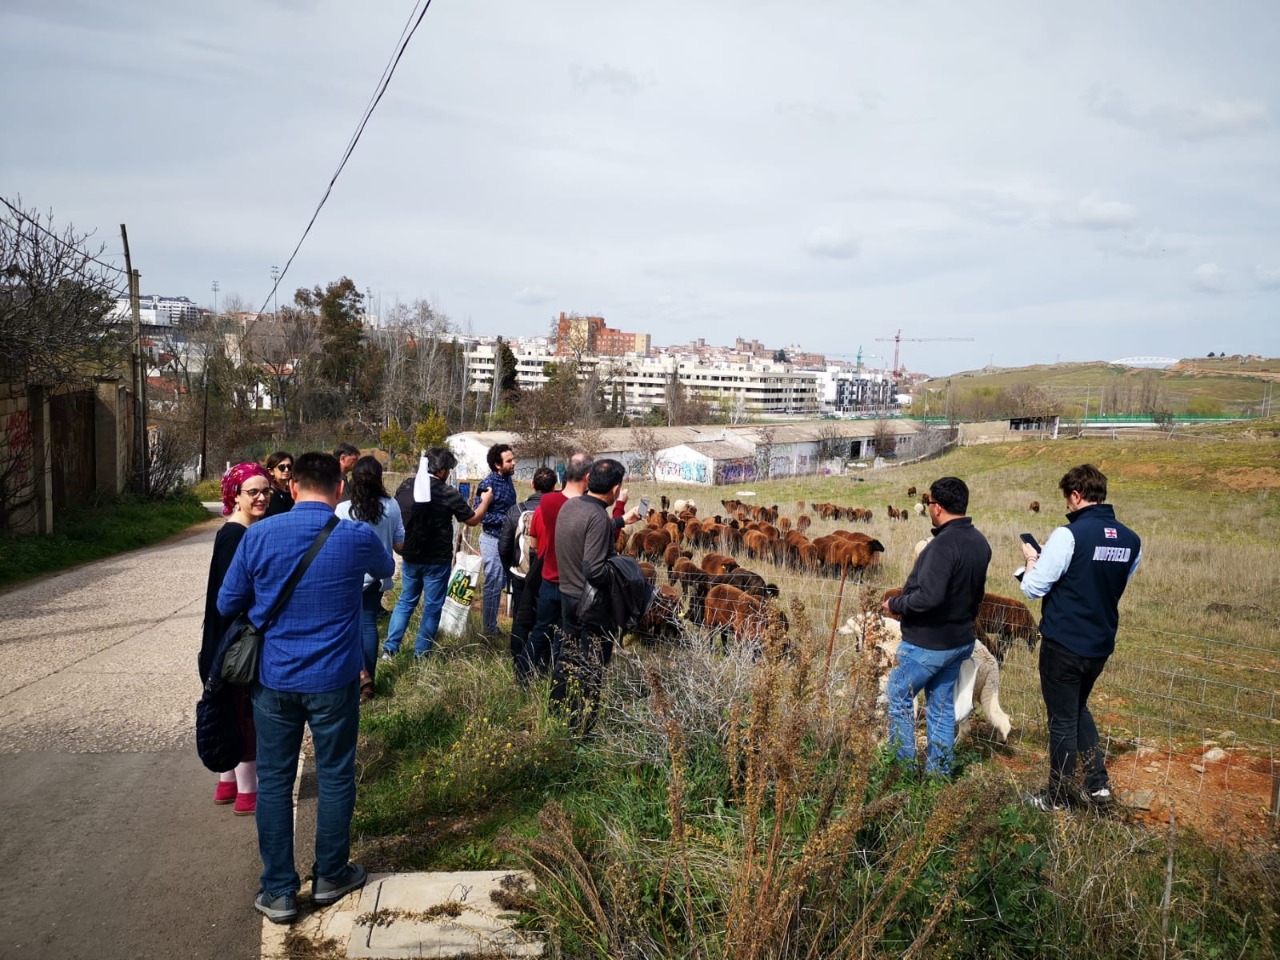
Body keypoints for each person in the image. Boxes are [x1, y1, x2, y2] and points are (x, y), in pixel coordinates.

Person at [218, 451, 394, 925]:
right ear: (340, 490)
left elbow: (226, 601)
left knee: (274, 782)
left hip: (273, 679)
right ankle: (330, 875)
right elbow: (387, 569)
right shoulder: (354, 534)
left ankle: (277, 891)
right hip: (335, 679)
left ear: (291, 488)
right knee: (336, 775)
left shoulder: (259, 536)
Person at [1019, 463, 1141, 812]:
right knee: (1076, 708)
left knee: (1060, 720)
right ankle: (1097, 784)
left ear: (1076, 495)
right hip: (1100, 643)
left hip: (1063, 642)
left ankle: (1057, 796)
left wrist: (1031, 560)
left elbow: (1033, 588)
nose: (1067, 507)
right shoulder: (1132, 541)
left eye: (1067, 500)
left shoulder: (1068, 535)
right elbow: (1105, 583)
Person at [881, 476, 991, 776]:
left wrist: (895, 605)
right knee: (941, 706)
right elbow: (977, 594)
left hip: (929, 642)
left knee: (898, 695)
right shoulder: (979, 542)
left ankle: (900, 771)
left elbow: (929, 597)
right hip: (959, 640)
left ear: (937, 507)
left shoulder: (942, 546)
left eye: (930, 504)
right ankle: (937, 775)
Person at [200, 462, 272, 815]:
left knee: (230, 708)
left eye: (265, 491)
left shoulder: (238, 531)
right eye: (252, 492)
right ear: (235, 495)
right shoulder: (237, 535)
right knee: (243, 713)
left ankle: (228, 783)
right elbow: (233, 597)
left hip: (223, 638)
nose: (261, 497)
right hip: (233, 639)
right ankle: (247, 792)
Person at [553, 458, 641, 733]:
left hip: (567, 594)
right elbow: (594, 568)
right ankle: (583, 727)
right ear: (616, 489)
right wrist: (621, 576)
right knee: (592, 666)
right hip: (589, 603)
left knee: (568, 658)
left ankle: (558, 713)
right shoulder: (597, 518)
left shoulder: (570, 505)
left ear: (589, 479)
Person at [383, 447, 493, 660]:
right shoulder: (447, 492)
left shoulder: (407, 485)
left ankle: (389, 648)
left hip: (411, 553)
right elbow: (471, 519)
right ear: (442, 470)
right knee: (432, 609)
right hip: (437, 559)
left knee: (406, 601)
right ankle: (421, 654)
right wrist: (486, 501)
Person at [335, 456, 404, 701]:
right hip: (376, 577)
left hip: (347, 578)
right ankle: (369, 680)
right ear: (379, 477)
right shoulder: (392, 506)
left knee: (345, 629)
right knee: (368, 625)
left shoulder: (343, 509)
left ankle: (353, 676)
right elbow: (399, 544)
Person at [499, 466, 557, 677]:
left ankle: (519, 662)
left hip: (521, 574)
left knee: (521, 620)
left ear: (532, 484)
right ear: (554, 487)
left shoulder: (516, 510)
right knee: (546, 621)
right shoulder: (557, 510)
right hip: (547, 575)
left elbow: (504, 544)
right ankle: (542, 665)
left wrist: (510, 568)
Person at [475, 443, 517, 637]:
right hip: (492, 540)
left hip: (507, 540)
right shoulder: (487, 485)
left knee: (502, 583)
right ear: (497, 464)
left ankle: (494, 626)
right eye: (509, 461)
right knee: (493, 583)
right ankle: (489, 630)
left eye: (512, 459)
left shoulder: (508, 480)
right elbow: (479, 515)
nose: (513, 463)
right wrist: (509, 519)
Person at [264, 451, 295, 517]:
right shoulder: (270, 494)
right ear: (271, 471)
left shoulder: (293, 491)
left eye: (289, 467)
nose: (286, 470)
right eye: (282, 467)